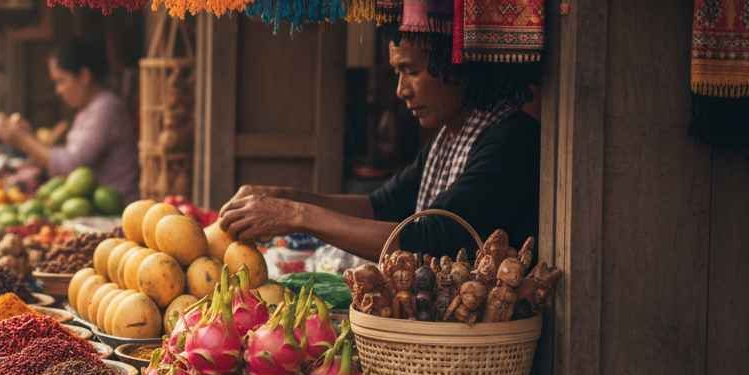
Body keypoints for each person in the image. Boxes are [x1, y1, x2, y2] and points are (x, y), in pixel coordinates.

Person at [220, 26, 539, 261]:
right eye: (397, 73)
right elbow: (381, 206)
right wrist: (282, 196)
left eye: (411, 71)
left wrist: (295, 215)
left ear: (454, 65)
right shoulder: (447, 138)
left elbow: (429, 239)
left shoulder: (509, 140)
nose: (401, 91)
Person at [0, 39, 140, 201]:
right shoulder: (87, 109)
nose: (58, 90)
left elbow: (70, 165)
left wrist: (24, 141)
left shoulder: (105, 108)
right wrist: (28, 137)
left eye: (61, 81)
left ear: (84, 76)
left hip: (118, 208)